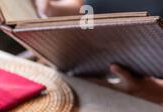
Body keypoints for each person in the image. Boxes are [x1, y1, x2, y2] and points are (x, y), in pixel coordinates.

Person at [34, 0, 163, 104]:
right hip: (97, 79)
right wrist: (52, 10)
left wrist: (153, 90)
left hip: (149, 104)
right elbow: (88, 9)